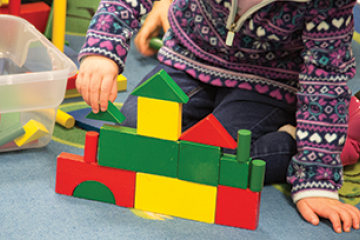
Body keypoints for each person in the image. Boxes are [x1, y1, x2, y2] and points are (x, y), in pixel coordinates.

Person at [76, 0, 360, 233]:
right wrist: (103, 49)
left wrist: (317, 177)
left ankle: (293, 141)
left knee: (213, 161)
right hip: (190, 59)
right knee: (133, 136)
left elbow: (325, 81)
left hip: (268, 84)